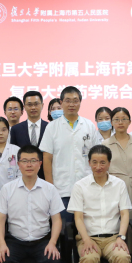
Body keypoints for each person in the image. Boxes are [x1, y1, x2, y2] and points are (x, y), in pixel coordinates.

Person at [67, 145, 132, 263]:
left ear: (109, 163)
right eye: (94, 162)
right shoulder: (80, 186)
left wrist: (121, 237)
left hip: (113, 237)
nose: (98, 166)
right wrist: (86, 239)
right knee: (88, 259)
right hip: (89, 238)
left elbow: (125, 214)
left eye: (103, 162)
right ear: (89, 163)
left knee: (122, 256)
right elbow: (78, 218)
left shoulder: (119, 185)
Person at [0, 145, 63, 263]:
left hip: (42, 241)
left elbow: (57, 220)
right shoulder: (7, 189)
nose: (29, 165)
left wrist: (52, 243)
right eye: (25, 161)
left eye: (33, 161)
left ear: (40, 163)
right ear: (18, 164)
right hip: (15, 241)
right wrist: (2, 244)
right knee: (2, 261)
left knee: (53, 260)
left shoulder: (50, 189)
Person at [39, 86, 102, 225]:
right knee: (64, 229)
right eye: (68, 101)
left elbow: (96, 156)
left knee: (87, 228)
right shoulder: (52, 127)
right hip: (62, 190)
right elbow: (47, 158)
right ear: (61, 103)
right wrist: (50, 187)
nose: (71, 104)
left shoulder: (89, 126)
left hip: (87, 187)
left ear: (80, 102)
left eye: (75, 100)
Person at [102, 107, 132, 224]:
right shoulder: (105, 145)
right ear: (111, 122)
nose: (120, 122)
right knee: (114, 221)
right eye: (116, 119)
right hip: (112, 188)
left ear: (130, 121)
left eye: (124, 119)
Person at [9, 91, 48, 179]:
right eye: (29, 105)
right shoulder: (16, 129)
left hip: (45, 176)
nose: (33, 107)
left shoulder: (49, 127)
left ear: (42, 105)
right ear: (24, 107)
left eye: (36, 104)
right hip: (22, 177)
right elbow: (13, 155)